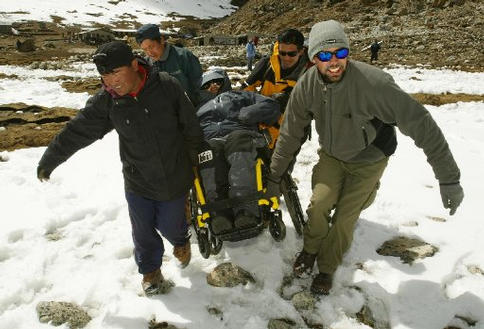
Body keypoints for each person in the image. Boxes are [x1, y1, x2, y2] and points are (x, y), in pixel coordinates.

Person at [265, 20, 464, 295]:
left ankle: (326, 267)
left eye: (340, 53)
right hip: (333, 155)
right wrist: (275, 176)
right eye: (324, 55)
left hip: (370, 156)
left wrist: (449, 178)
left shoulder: (374, 84)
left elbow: (421, 124)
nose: (333, 62)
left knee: (346, 216)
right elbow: (289, 135)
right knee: (320, 204)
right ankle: (309, 251)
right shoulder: (306, 87)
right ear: (313, 59)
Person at [36, 41, 204, 296]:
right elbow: (78, 130)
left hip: (174, 175)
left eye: (115, 73)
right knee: (143, 230)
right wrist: (50, 159)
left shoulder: (167, 86)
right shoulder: (107, 102)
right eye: (104, 75)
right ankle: (151, 272)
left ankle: (181, 239)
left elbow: (191, 127)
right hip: (137, 180)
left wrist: (198, 163)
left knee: (171, 226)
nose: (110, 81)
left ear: (135, 65)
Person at [196, 72, 281, 233]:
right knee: (209, 152)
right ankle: (218, 214)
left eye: (217, 82)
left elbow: (270, 105)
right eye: (207, 85)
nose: (212, 86)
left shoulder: (243, 96)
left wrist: (250, 113)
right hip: (211, 140)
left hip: (240, 133)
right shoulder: (198, 109)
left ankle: (245, 210)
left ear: (225, 82)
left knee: (237, 141)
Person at [243, 28, 312, 148]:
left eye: (291, 54)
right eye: (282, 53)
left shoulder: (310, 72)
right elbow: (246, 90)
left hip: (290, 134)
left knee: (281, 166)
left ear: (301, 51)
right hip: (260, 130)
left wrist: (289, 101)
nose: (286, 58)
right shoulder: (267, 64)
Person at [135, 24, 203, 106]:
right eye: (145, 49)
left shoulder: (183, 56)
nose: (149, 53)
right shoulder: (146, 64)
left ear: (161, 40)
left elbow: (198, 86)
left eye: (152, 46)